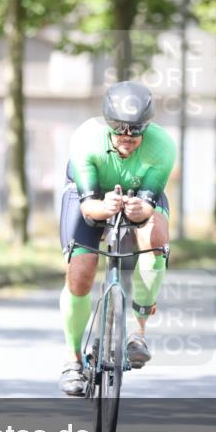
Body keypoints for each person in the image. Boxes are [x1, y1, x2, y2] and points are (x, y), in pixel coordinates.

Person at [57, 81, 176, 395]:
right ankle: (73, 360)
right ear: (108, 124)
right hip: (90, 194)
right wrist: (104, 207)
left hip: (139, 194)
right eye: (120, 132)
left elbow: (148, 206)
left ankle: (138, 331)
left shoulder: (162, 146)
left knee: (156, 238)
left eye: (135, 133)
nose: (128, 138)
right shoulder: (86, 138)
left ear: (146, 128)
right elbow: (88, 208)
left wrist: (139, 211)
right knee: (81, 271)